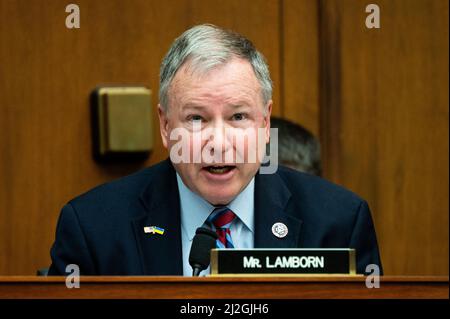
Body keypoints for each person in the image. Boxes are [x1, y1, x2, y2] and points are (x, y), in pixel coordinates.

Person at [48, 24, 382, 276]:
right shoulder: (94, 227)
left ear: (265, 124)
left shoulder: (338, 223)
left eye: (238, 116)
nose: (219, 144)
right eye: (196, 118)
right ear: (165, 127)